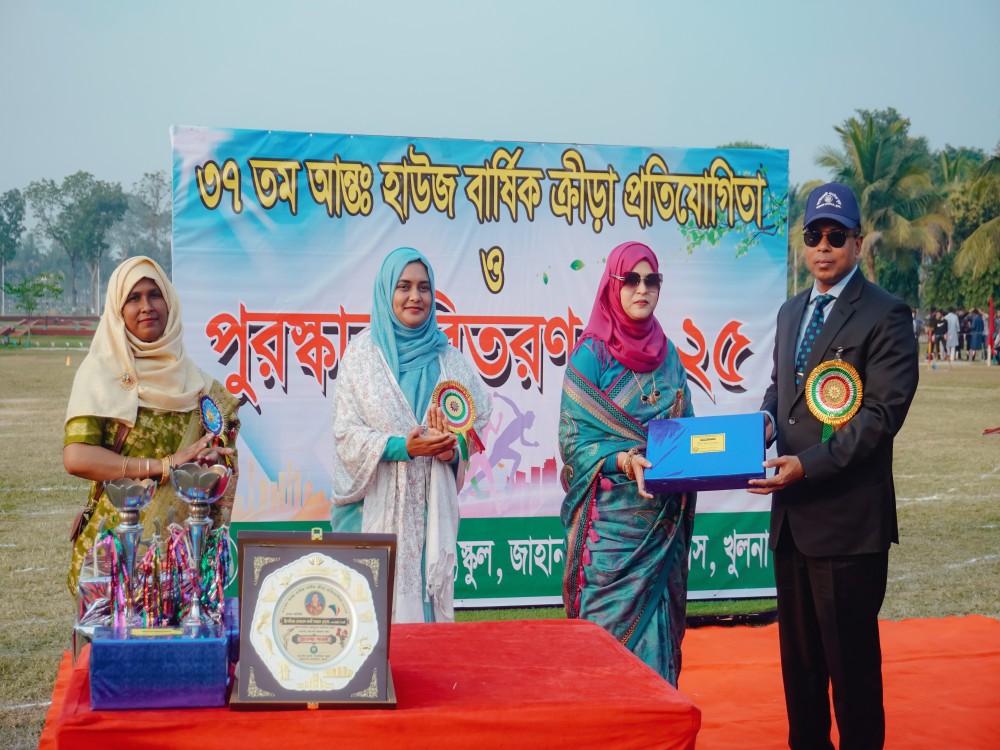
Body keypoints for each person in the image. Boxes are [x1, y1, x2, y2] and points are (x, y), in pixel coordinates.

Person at [749, 182, 918, 749]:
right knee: (800, 677)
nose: (824, 246)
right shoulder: (790, 311)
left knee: (852, 677)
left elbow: (880, 417)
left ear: (858, 243)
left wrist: (807, 465)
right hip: (791, 524)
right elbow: (783, 391)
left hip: (847, 526)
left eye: (836, 235)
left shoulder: (885, 314)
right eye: (814, 235)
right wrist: (764, 424)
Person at [329, 247, 491, 624]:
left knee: (424, 625)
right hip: (369, 513)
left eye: (424, 287)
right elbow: (346, 435)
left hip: (427, 516)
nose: (415, 296)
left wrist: (449, 451)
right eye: (403, 286)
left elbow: (475, 423)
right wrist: (404, 447)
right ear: (386, 292)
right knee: (366, 622)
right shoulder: (362, 357)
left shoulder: (448, 360)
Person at [558, 240, 695, 687]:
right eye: (631, 279)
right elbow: (573, 442)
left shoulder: (669, 354)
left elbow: (686, 432)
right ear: (612, 286)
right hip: (612, 539)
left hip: (661, 530)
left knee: (657, 657)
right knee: (605, 661)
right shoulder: (591, 355)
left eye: (651, 280)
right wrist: (623, 459)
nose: (642, 289)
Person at [64, 256, 239, 596]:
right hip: (113, 557)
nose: (146, 306)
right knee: (115, 631)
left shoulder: (202, 387)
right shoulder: (100, 375)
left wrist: (211, 467)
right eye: (133, 298)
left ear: (169, 302)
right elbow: (77, 458)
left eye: (155, 295)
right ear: (118, 309)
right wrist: (163, 467)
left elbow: (223, 461)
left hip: (183, 555)